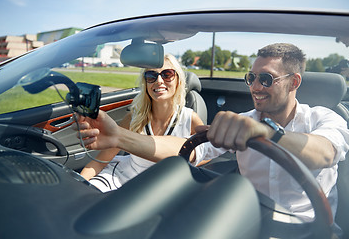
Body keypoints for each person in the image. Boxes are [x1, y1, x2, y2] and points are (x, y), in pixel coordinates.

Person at [76, 43, 349, 230]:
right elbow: (190, 148)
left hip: (310, 227)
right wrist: (120, 138)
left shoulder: (324, 119)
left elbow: (324, 151)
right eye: (251, 77)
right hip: (248, 218)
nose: (255, 86)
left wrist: (268, 133)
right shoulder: (245, 121)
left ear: (294, 82)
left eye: (266, 79)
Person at [79, 54, 204, 192]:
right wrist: (78, 185)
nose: (159, 81)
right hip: (122, 178)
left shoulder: (190, 118)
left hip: (163, 187)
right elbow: (101, 161)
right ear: (146, 84)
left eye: (167, 74)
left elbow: (205, 153)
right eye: (151, 76)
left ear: (178, 81)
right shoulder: (133, 117)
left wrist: (187, 163)